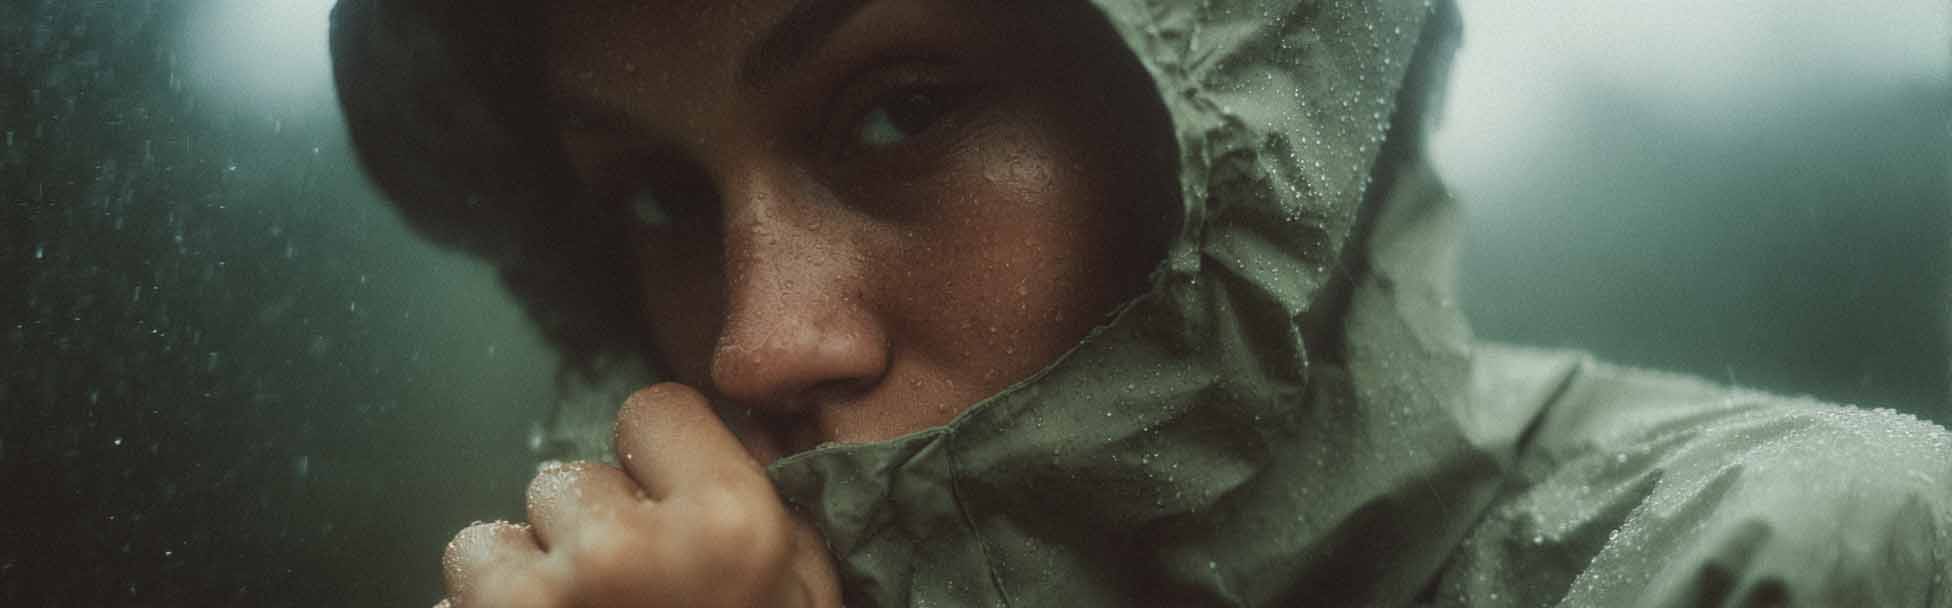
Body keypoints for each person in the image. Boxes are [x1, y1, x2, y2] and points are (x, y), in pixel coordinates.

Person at [329, 0, 1952, 606]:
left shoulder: (1795, 562)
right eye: (658, 199)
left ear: (1219, 127)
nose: (754, 344)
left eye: (899, 112)